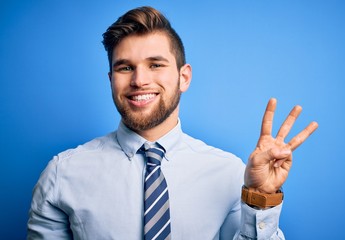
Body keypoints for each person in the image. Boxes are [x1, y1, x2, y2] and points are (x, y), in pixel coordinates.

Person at [27, 6, 318, 240]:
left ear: (184, 77)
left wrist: (261, 197)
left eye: (155, 64)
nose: (139, 80)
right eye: (125, 67)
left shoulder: (230, 173)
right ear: (111, 80)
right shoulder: (61, 175)